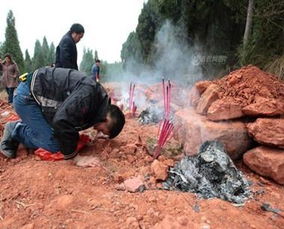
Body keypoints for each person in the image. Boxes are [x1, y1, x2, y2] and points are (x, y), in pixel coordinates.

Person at [0, 66, 125, 159]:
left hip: (37, 97)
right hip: (27, 98)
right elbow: (62, 120)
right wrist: (75, 158)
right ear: (107, 119)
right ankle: (15, 129)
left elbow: (70, 118)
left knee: (70, 137)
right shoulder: (88, 97)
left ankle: (29, 125)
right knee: (55, 144)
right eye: (103, 130)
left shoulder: (97, 100)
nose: (98, 131)